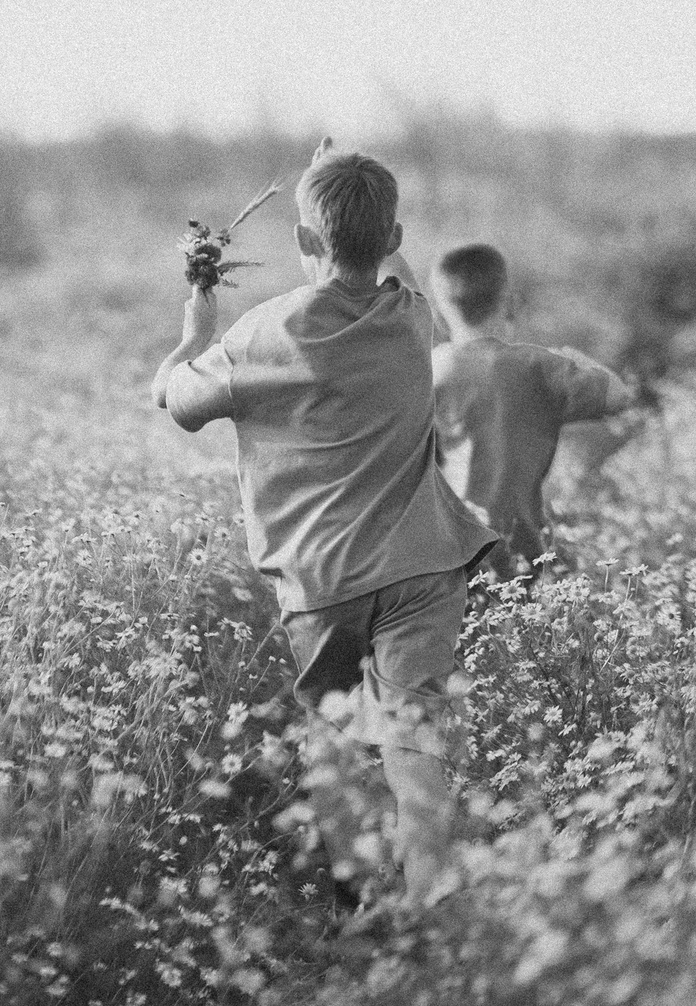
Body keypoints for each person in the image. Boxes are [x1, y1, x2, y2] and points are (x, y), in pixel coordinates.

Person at [153, 143, 496, 898]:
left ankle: (358, 901)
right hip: (423, 568)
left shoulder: (259, 335)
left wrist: (193, 334)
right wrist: (353, 189)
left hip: (323, 582)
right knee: (416, 735)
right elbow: (393, 267)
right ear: (397, 240)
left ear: (305, 242)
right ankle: (431, 891)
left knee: (334, 736)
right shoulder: (413, 318)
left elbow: (175, 400)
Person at [429, 243, 641, 576]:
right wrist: (576, 358)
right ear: (508, 303)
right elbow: (619, 396)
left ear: (440, 313)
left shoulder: (433, 369)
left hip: (448, 546)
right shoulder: (535, 366)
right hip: (521, 544)